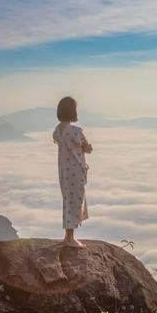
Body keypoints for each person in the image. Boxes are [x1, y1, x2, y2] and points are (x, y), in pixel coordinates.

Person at [52, 96, 92, 248]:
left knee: (67, 200)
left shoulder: (57, 131)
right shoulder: (76, 131)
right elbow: (86, 148)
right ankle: (70, 238)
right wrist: (88, 148)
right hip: (75, 170)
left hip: (63, 171)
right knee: (76, 201)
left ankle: (67, 236)